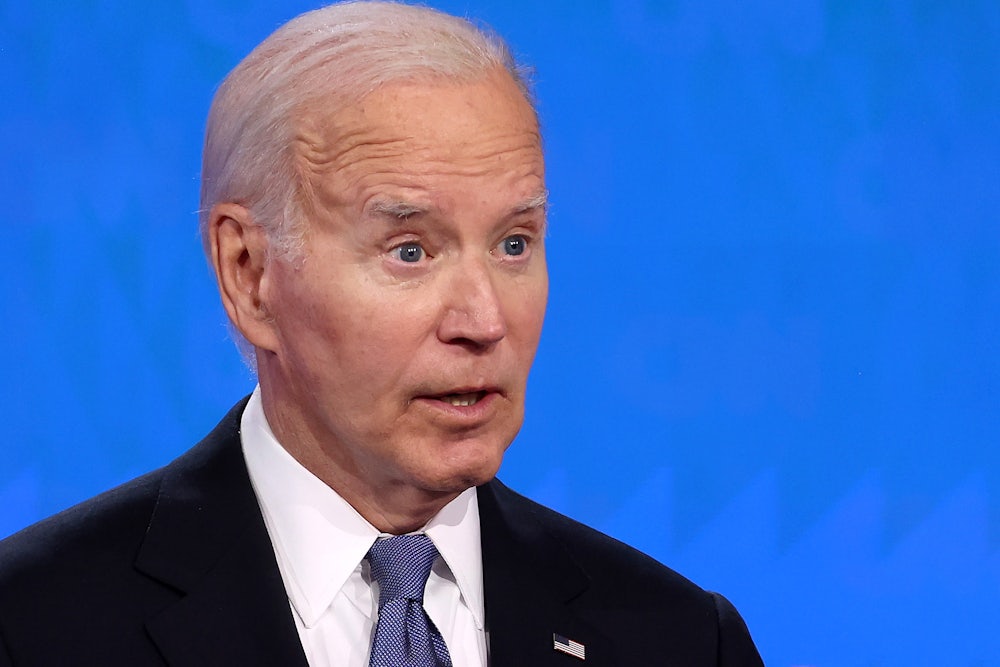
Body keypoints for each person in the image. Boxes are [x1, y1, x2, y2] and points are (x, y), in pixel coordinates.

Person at [0, 2, 764, 665]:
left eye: (514, 244)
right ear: (249, 274)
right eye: (411, 251)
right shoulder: (32, 625)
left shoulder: (683, 641)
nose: (484, 321)